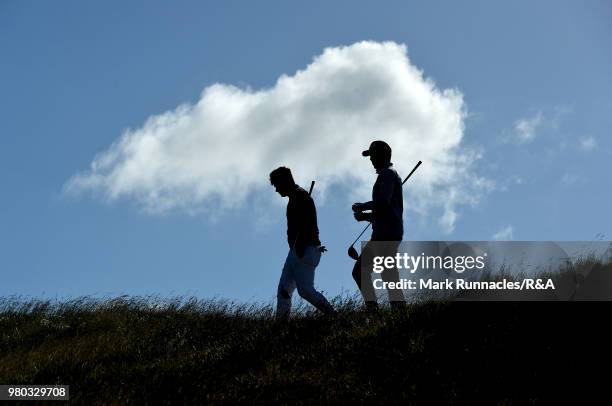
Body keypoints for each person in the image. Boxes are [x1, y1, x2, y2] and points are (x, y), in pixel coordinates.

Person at [269, 166, 335, 320]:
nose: (276, 190)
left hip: (304, 249)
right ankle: (281, 326)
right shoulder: (295, 198)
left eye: (277, 185)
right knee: (283, 290)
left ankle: (334, 316)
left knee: (305, 290)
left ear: (285, 182)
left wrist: (301, 247)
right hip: (297, 250)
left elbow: (309, 225)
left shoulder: (301, 197)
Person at [351, 141, 406, 310]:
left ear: (383, 155)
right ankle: (399, 310)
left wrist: (362, 206)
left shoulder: (387, 175)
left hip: (386, 233)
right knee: (388, 273)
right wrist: (367, 217)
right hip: (388, 231)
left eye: (373, 155)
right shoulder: (388, 174)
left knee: (360, 271)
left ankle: (373, 309)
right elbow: (384, 210)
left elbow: (382, 203)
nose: (371, 160)